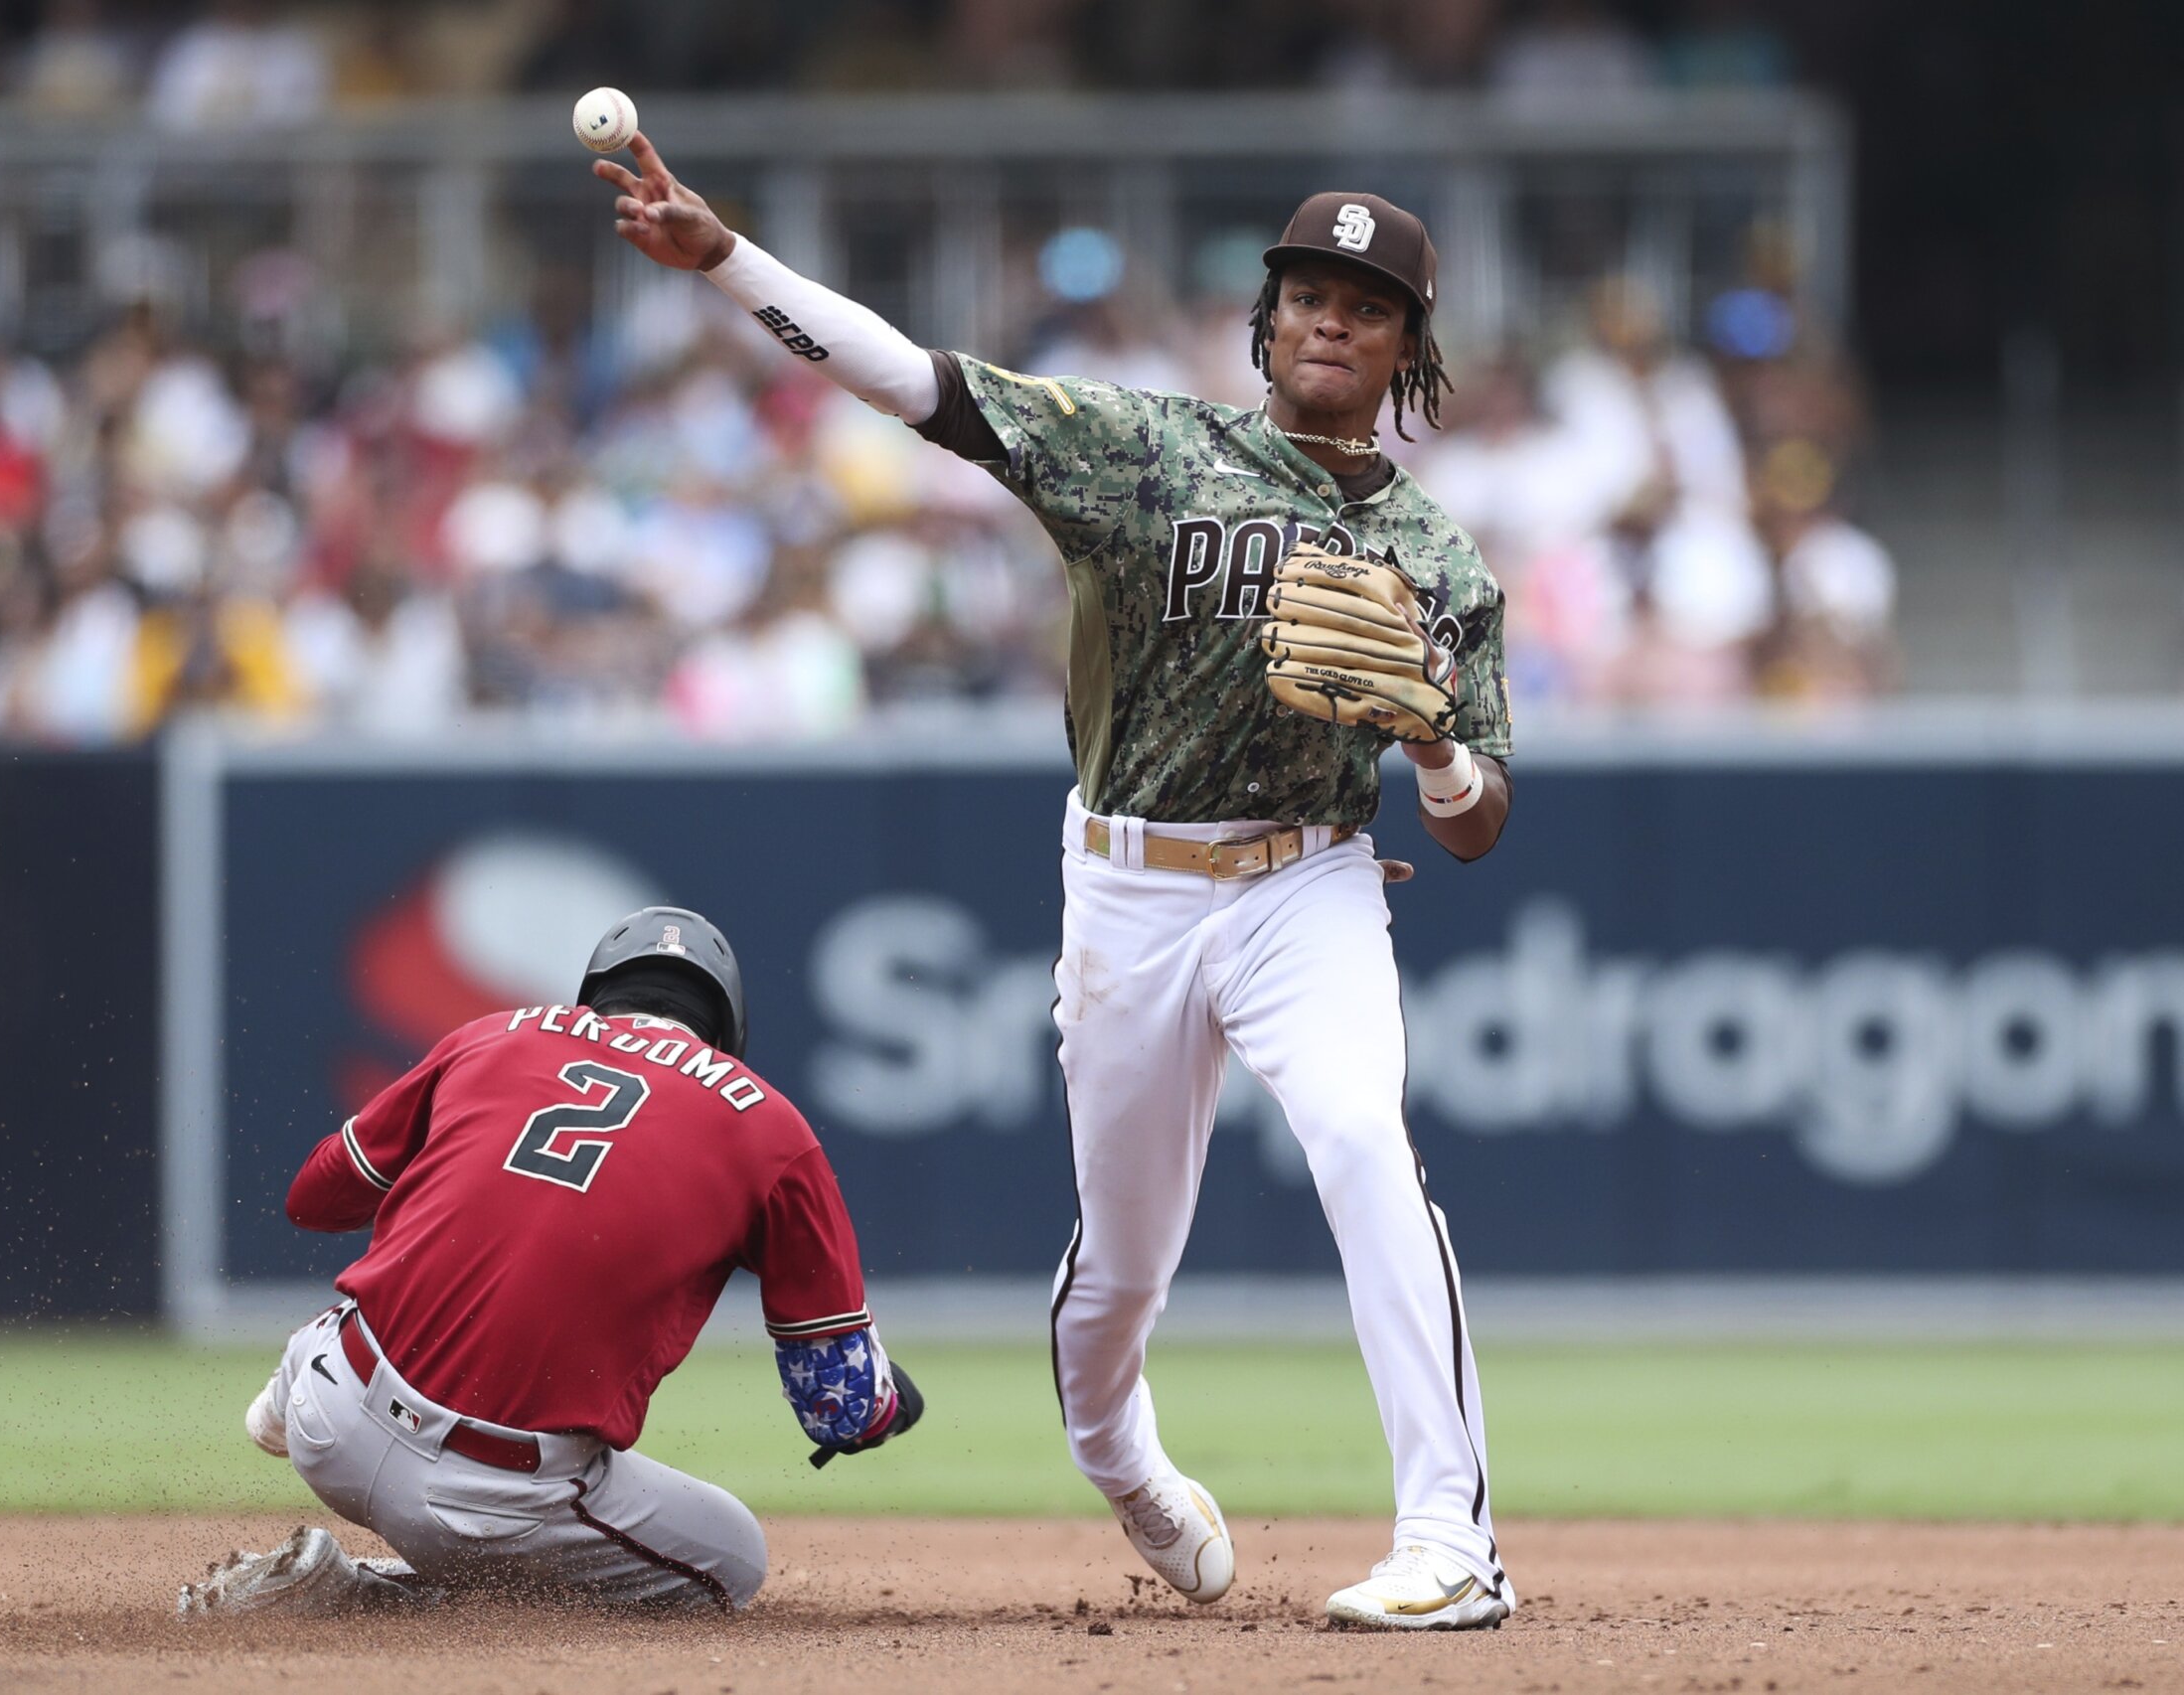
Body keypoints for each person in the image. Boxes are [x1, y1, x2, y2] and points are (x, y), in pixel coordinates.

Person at [597, 135, 1517, 1630]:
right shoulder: (1147, 451)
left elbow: (1477, 818)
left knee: (1362, 1134)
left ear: (1412, 344)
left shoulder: (1436, 556)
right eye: (1308, 294)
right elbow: (919, 383)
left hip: (1310, 883)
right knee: (1121, 1272)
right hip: (1131, 889)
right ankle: (1117, 1449)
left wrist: (1427, 745)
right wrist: (729, 262)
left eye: (1368, 302)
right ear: (1267, 320)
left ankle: (1450, 1539)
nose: (1333, 320)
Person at [180, 906, 923, 1616]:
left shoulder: (493, 1034)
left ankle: (288, 1400)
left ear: (597, 991)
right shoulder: (770, 1127)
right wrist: (888, 1405)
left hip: (328, 1410)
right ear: (726, 1027)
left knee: (382, 1301)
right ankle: (371, 1597)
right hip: (489, 1497)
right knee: (735, 1561)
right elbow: (840, 1410)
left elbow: (314, 1200)